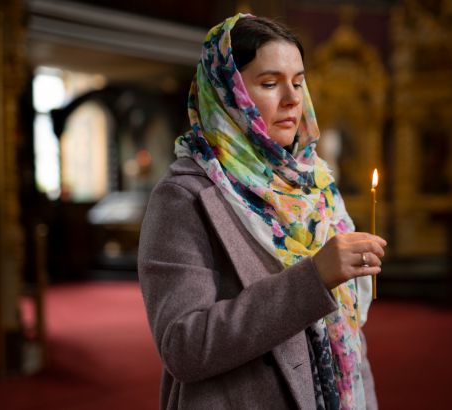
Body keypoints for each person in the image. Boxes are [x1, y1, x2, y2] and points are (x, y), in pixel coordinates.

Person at [138, 13, 387, 410]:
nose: (293, 99)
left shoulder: (315, 184)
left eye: (299, 82)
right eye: (270, 83)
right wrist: (313, 278)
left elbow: (350, 338)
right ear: (227, 92)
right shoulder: (184, 197)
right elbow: (183, 346)